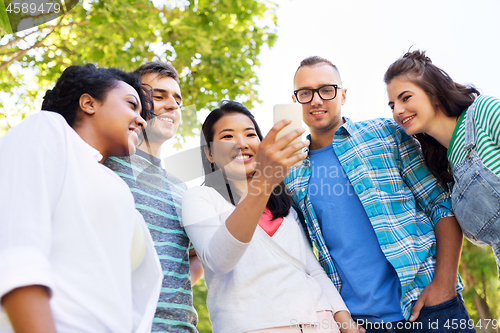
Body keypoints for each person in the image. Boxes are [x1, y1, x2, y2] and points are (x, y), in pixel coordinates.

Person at [285, 56, 473, 333]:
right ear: (296, 100)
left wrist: (444, 284)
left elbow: (440, 204)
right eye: (305, 93)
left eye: (326, 90)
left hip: (430, 306)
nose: (316, 100)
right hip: (359, 323)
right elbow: (301, 255)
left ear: (343, 95)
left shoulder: (385, 133)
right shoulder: (291, 171)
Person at [0, 64, 162, 332]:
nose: (142, 120)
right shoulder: (47, 129)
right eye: (132, 105)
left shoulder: (114, 185)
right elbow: (17, 249)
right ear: (88, 103)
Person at [182, 100, 363, 333]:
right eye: (227, 137)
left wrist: (343, 320)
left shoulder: (282, 204)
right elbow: (220, 261)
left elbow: (312, 269)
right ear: (209, 153)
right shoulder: (199, 198)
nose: (241, 143)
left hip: (320, 321)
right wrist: (264, 182)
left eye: (250, 134)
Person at [103, 61, 202, 333]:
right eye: (159, 96)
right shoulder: (105, 166)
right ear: (134, 104)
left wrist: (162, 287)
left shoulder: (182, 189)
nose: (172, 105)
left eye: (177, 99)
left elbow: (195, 258)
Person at [385, 49, 500, 278]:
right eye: (391, 105)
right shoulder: (445, 170)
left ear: (434, 94)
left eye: (405, 98)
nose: (397, 111)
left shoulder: (483, 112)